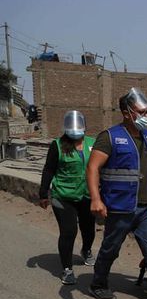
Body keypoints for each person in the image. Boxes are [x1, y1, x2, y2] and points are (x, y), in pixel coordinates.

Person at [86, 88, 147, 299]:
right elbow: (92, 168)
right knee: (111, 248)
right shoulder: (109, 137)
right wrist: (95, 199)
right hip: (120, 207)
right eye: (141, 112)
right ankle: (98, 284)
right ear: (126, 112)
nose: (145, 117)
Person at [38, 111, 96, 285]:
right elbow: (49, 169)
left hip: (87, 195)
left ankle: (86, 250)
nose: (76, 132)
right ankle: (67, 269)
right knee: (69, 231)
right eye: (72, 129)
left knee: (88, 229)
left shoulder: (93, 144)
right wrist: (43, 193)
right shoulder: (57, 145)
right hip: (62, 196)